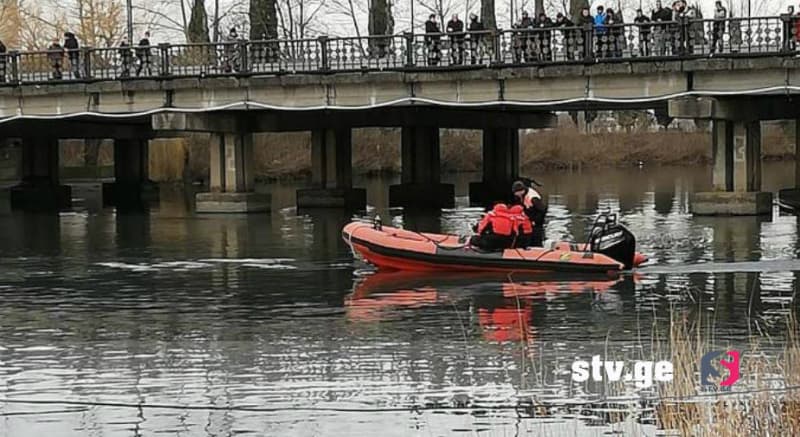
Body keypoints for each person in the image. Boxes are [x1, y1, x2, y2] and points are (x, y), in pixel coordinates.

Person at [512, 180, 547, 247]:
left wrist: (535, 221)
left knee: (536, 237)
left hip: (536, 221)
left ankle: (537, 248)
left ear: (521, 191)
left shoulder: (533, 198)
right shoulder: (523, 194)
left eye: (516, 192)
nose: (515, 194)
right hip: (530, 218)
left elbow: (542, 210)